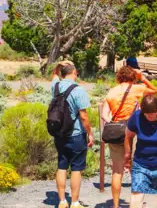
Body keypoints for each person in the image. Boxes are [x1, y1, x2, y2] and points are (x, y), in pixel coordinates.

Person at [102, 64, 157, 208]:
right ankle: (136, 204)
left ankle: (115, 205)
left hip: (116, 132)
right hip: (133, 132)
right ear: (132, 77)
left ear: (119, 77)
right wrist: (143, 78)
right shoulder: (137, 89)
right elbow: (154, 90)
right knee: (136, 169)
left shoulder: (112, 92)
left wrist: (116, 124)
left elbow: (104, 115)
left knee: (117, 171)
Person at [50, 62, 94, 208]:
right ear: (74, 72)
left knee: (61, 166)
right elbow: (83, 116)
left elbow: (54, 75)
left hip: (59, 134)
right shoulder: (78, 90)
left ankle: (62, 201)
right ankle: (74, 202)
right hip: (75, 135)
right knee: (76, 169)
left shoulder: (55, 86)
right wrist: (90, 133)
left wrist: (58, 65)